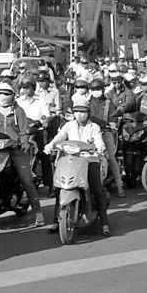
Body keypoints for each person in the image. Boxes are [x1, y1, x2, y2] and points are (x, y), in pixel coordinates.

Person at [0, 82, 44, 226]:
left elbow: (24, 130)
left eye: (6, 94)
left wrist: (24, 142)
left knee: (27, 180)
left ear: (12, 96)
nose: (2, 96)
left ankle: (38, 213)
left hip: (15, 149)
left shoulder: (18, 111)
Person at [44, 97, 111, 237]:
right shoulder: (68, 125)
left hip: (90, 160)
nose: (79, 114)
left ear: (88, 113)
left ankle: (104, 224)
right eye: (77, 111)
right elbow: (60, 136)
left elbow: (99, 140)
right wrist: (51, 144)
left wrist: (100, 146)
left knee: (97, 190)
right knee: (60, 188)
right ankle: (56, 221)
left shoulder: (94, 127)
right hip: (71, 159)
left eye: (83, 111)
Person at [87, 79, 125, 198]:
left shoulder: (109, 103)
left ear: (103, 89)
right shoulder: (87, 103)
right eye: (94, 89)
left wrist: (112, 123)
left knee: (111, 158)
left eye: (98, 89)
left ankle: (119, 186)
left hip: (105, 132)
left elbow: (113, 117)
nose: (96, 91)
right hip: (89, 134)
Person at [17, 77, 54, 196]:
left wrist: (42, 121)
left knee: (45, 156)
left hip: (37, 131)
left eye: (27, 87)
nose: (25, 90)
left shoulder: (41, 101)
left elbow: (46, 115)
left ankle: (50, 186)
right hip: (22, 133)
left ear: (33, 87)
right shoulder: (18, 101)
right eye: (23, 87)